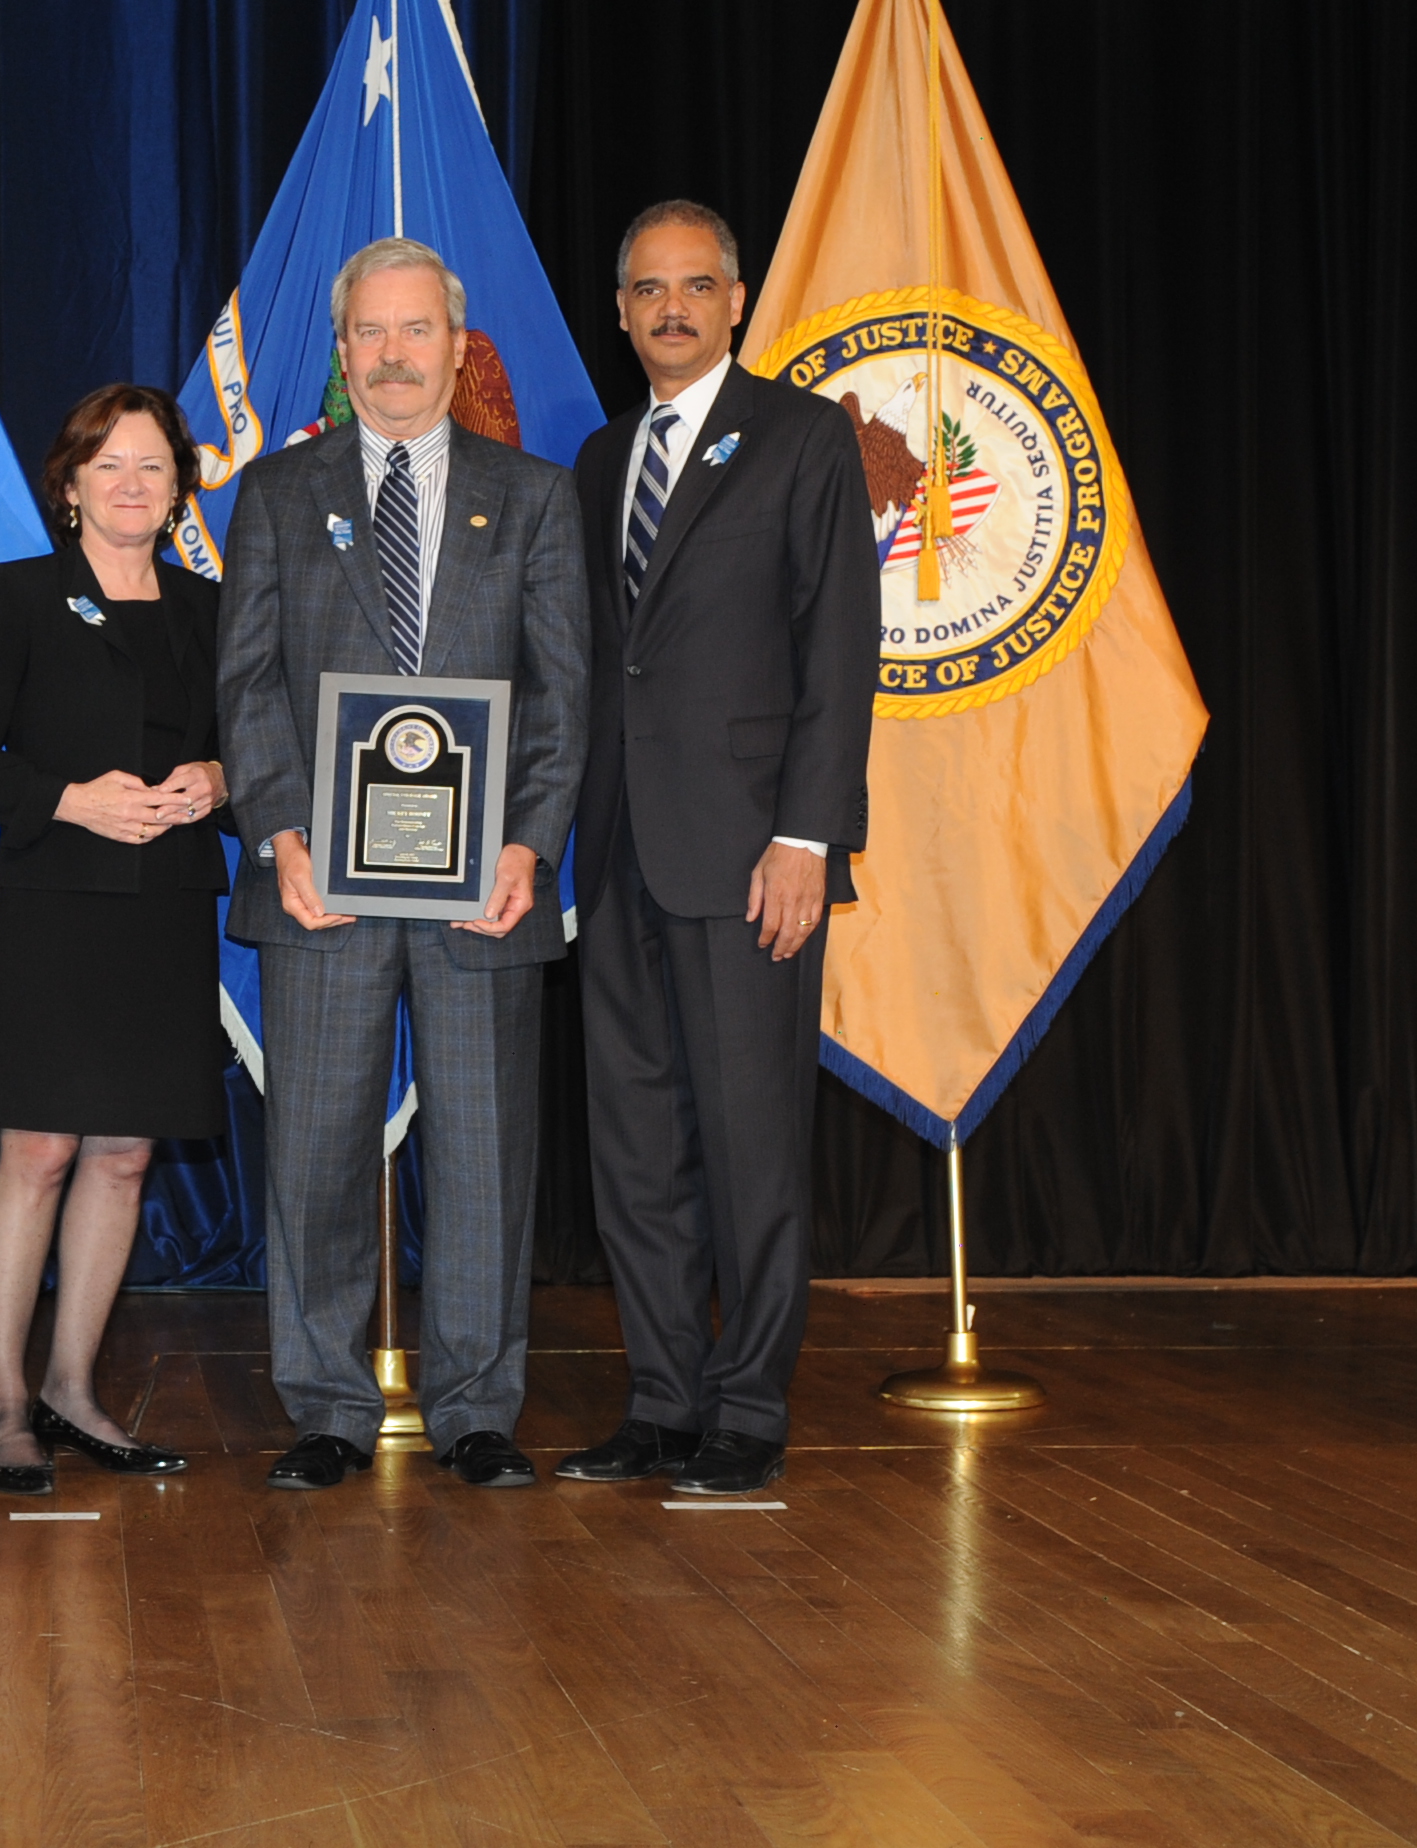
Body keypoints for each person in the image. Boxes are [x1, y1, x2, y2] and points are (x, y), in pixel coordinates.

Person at [216, 237, 588, 1491]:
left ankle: (477, 1410)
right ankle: (325, 1405)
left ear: (456, 343)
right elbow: (248, 686)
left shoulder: (531, 496)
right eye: (368, 334)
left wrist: (530, 842)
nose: (391, 356)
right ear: (340, 351)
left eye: (414, 330)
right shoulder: (276, 493)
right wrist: (281, 830)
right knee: (315, 1150)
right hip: (322, 880)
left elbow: (561, 698)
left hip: (484, 888)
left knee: (484, 1156)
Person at [560, 200, 879, 1496]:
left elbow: (839, 648)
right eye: (649, 289)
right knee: (635, 1143)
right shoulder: (597, 460)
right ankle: (661, 1399)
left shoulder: (803, 438)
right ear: (623, 308)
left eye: (697, 286)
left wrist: (806, 835)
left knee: (751, 1141)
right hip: (617, 847)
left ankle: (747, 1406)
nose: (673, 308)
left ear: (737, 300)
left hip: (751, 853)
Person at [0, 384, 226, 1496]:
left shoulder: (209, 607)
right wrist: (65, 799)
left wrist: (219, 779)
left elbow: (251, 743)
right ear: (69, 485)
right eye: (111, 466)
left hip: (166, 911)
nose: (133, 485)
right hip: (59, 903)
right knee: (42, 1151)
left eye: (153, 467)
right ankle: (3, 1399)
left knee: (127, 1154)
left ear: (177, 488)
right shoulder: (18, 597)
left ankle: (71, 1386)